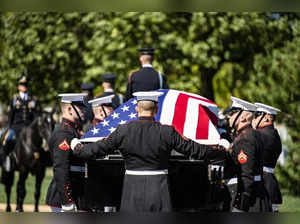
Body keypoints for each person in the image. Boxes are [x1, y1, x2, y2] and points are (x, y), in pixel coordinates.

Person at [70, 91, 227, 212]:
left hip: (131, 191)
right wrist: (220, 148)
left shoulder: (124, 131)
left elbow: (95, 150)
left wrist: (77, 147)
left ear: (137, 109)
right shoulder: (166, 132)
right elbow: (196, 150)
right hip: (159, 191)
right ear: (156, 109)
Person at [224, 96, 272, 212]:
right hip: (257, 194)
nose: (229, 116)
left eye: (233, 113)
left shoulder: (245, 139)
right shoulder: (253, 134)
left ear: (243, 117)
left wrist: (240, 205)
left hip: (250, 200)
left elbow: (246, 175)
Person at [46, 93, 88, 212]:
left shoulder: (72, 130)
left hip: (77, 192)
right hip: (65, 198)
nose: (84, 110)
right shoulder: (64, 133)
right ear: (70, 109)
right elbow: (61, 168)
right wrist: (67, 200)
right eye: (80, 107)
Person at [253, 102, 282, 212]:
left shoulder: (262, 135)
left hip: (263, 183)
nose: (254, 118)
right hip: (269, 181)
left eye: (257, 115)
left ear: (266, 118)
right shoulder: (272, 133)